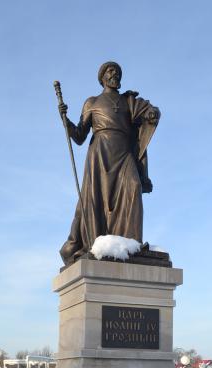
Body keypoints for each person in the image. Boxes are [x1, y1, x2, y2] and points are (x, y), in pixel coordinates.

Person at [59, 61, 160, 265]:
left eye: (117, 71)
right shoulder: (92, 102)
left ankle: (131, 244)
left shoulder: (128, 101)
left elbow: (148, 112)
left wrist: (152, 113)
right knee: (99, 196)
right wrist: (66, 121)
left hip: (124, 152)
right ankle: (98, 242)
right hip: (101, 153)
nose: (115, 74)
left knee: (133, 186)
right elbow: (79, 136)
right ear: (102, 77)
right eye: (110, 71)